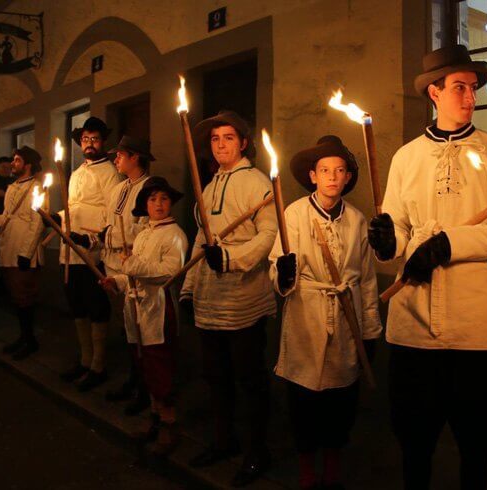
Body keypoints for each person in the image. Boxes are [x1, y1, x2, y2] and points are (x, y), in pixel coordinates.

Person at [368, 44, 487, 489]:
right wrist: (387, 241)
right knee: (414, 440)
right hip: (414, 320)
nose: (469, 96)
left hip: (475, 324)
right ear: (434, 93)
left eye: (473, 88)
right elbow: (398, 227)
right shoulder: (406, 157)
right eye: (459, 87)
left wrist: (449, 243)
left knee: (477, 442)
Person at [269, 135, 382, 489]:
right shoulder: (294, 214)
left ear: (348, 177)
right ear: (312, 176)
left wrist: (370, 329)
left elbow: (365, 279)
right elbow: (277, 266)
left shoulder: (358, 220)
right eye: (324, 170)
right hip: (306, 316)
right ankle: (306, 470)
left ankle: (332, 469)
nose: (332, 177)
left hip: (346, 320)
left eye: (339, 170)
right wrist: (283, 274)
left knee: (339, 403)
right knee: (304, 402)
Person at [181, 110, 277, 487]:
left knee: (250, 379)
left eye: (228, 138)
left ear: (243, 143)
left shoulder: (257, 183)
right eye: (215, 139)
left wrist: (234, 259)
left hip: (244, 296)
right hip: (209, 296)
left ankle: (258, 452)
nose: (220, 145)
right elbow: (200, 241)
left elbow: (270, 235)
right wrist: (189, 287)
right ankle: (224, 440)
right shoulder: (208, 185)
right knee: (216, 377)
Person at [100, 176, 188, 456]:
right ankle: (154, 421)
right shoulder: (144, 233)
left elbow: (168, 273)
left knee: (161, 370)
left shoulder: (175, 235)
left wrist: (133, 266)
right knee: (146, 369)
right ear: (145, 205)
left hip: (159, 310)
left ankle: (169, 427)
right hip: (137, 309)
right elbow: (133, 276)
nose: (159, 204)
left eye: (163, 199)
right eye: (152, 199)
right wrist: (118, 281)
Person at [71, 135, 152, 414]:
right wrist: (89, 241)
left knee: (141, 329)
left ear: (136, 157)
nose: (115, 159)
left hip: (134, 266)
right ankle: (133, 379)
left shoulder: (149, 188)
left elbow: (147, 231)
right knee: (127, 328)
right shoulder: (118, 189)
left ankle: (146, 387)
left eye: (121, 155)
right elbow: (108, 228)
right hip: (112, 264)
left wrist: (133, 254)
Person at [56, 116, 121, 391]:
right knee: (77, 306)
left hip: (92, 253)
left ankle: (99, 365)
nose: (89, 143)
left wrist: (92, 239)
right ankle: (84, 360)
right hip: (69, 251)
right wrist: (55, 218)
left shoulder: (110, 173)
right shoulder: (77, 172)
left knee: (96, 306)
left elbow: (110, 215)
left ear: (103, 141)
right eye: (85, 139)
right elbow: (73, 207)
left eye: (94, 139)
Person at [0, 146, 45, 360]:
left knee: (25, 297)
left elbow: (37, 223)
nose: (12, 164)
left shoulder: (37, 188)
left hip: (24, 252)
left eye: (16, 160)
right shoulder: (12, 187)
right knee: (16, 298)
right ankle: (24, 337)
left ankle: (30, 340)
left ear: (28, 165)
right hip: (9, 248)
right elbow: (6, 218)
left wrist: (27, 252)